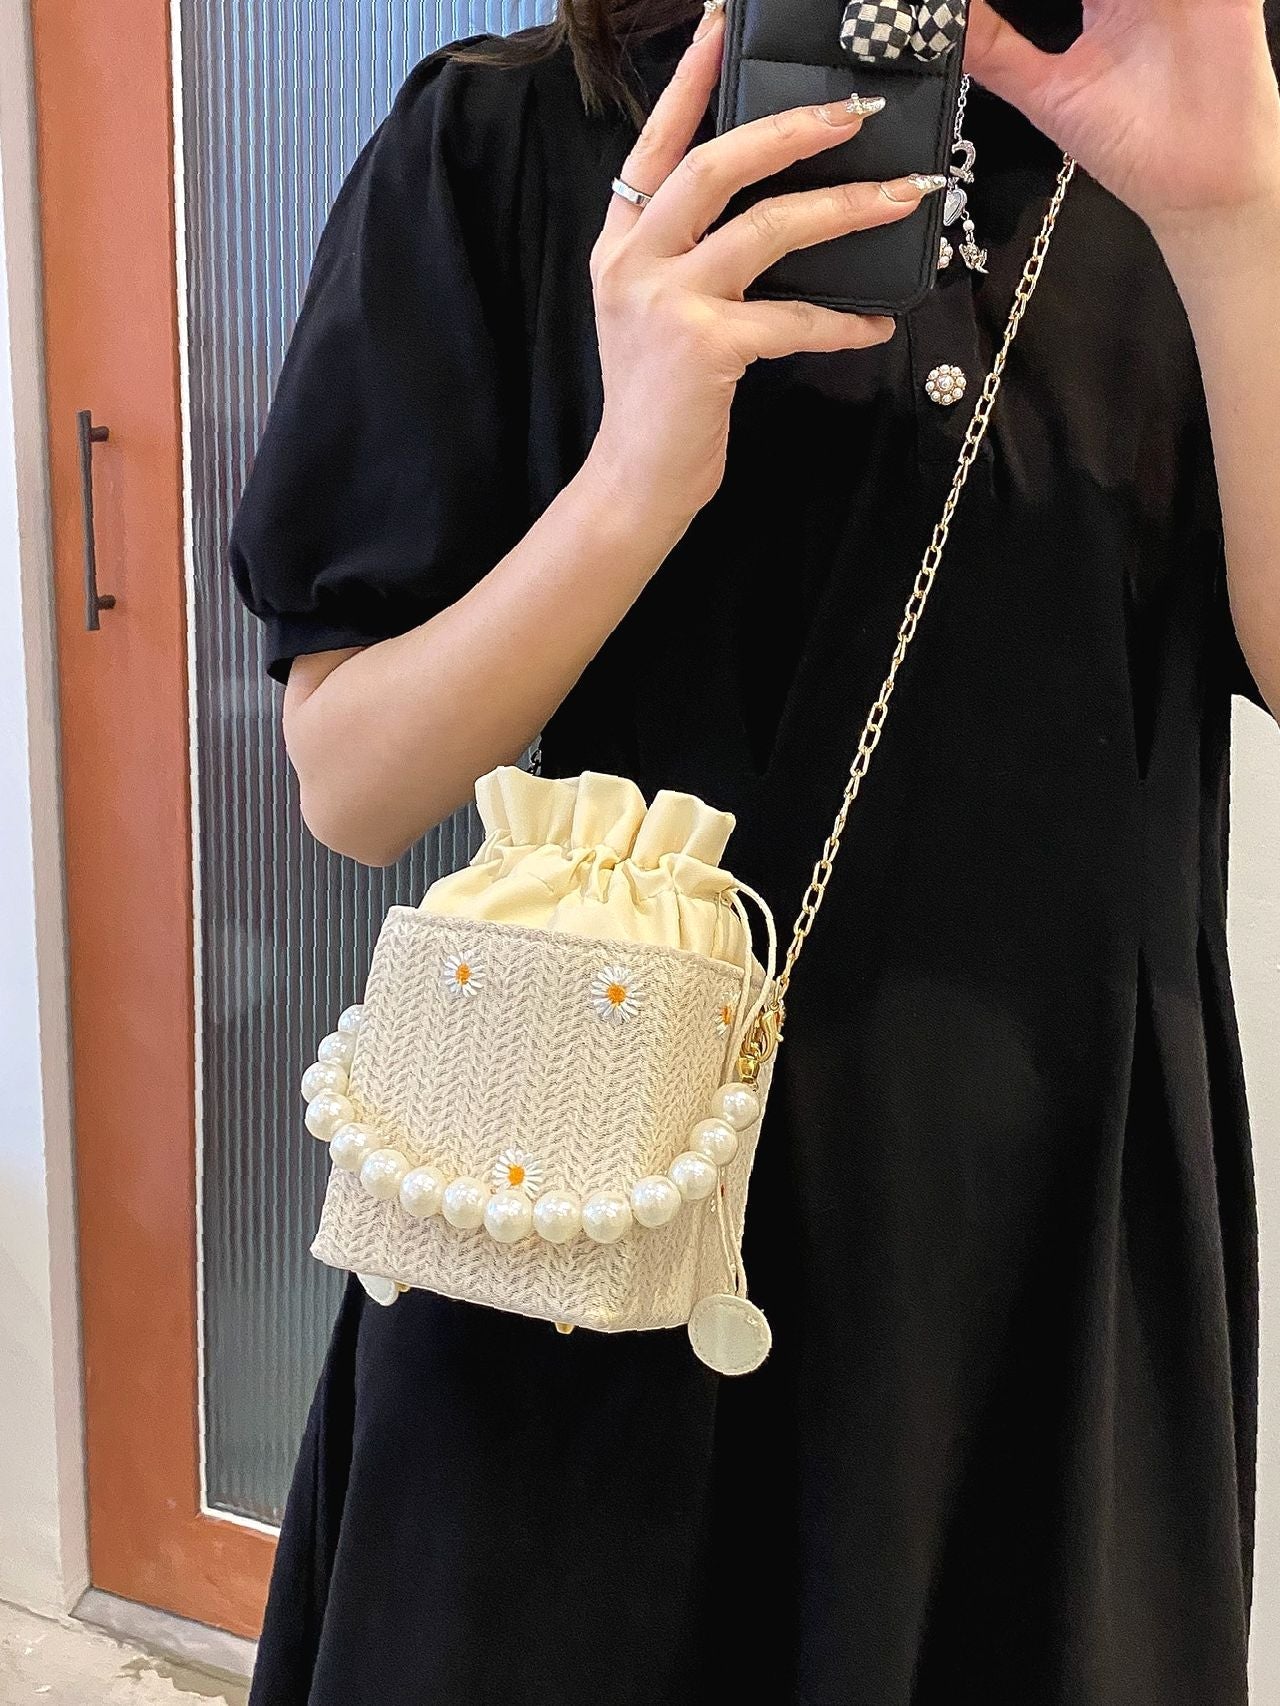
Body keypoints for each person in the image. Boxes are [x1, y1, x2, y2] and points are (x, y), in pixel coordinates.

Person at [228, 1, 1280, 1700]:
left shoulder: (1219, 115)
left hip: (1035, 1280)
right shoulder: (506, 139)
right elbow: (349, 780)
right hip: (581, 1213)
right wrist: (630, 481)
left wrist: (1233, 228)